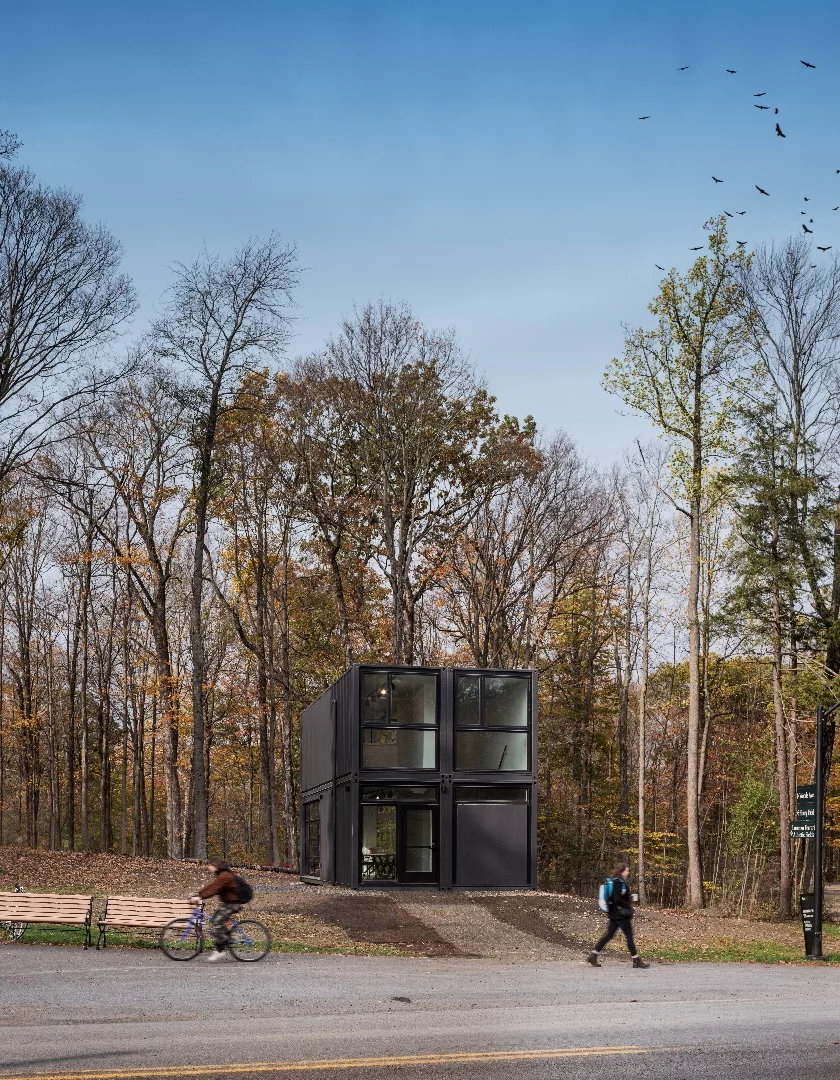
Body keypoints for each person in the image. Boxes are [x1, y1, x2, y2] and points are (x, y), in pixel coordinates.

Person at [587, 862, 649, 968]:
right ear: (622, 871)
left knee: (609, 935)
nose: (628, 872)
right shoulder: (618, 883)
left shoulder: (617, 882)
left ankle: (593, 955)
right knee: (629, 936)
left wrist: (629, 898)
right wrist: (628, 904)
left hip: (614, 914)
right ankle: (636, 960)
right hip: (621, 915)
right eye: (627, 870)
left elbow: (618, 897)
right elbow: (617, 899)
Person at [190, 856, 243, 962]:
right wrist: (198, 895)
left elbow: (214, 888)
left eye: (209, 865)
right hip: (229, 903)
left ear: (215, 865)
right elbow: (212, 887)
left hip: (234, 903)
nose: (208, 867)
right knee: (216, 919)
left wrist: (199, 896)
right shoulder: (222, 874)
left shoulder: (225, 876)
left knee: (217, 921)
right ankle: (227, 938)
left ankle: (220, 948)